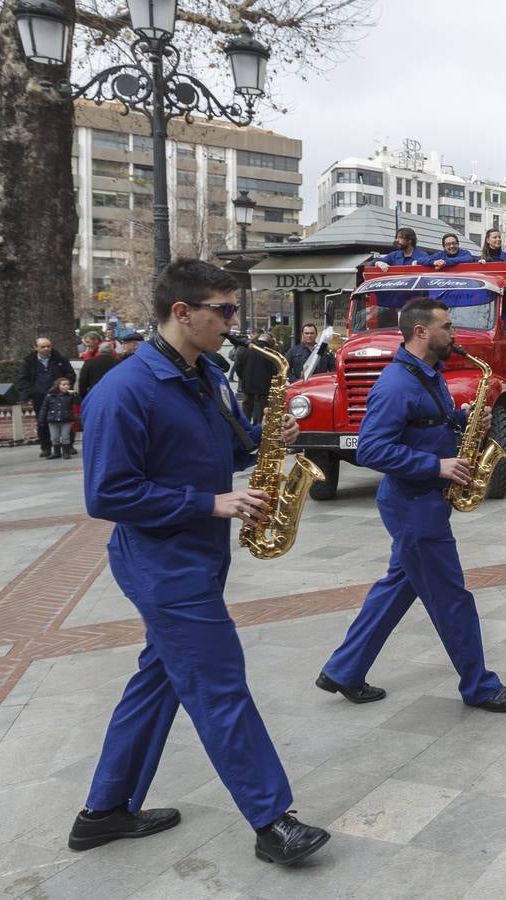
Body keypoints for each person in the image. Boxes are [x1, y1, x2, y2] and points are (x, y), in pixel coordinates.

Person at [71, 258, 329, 865]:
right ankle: (272, 822)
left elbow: (225, 446)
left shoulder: (206, 371)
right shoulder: (124, 390)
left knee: (159, 681)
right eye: (225, 310)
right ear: (182, 313)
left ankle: (103, 812)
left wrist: (266, 445)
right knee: (218, 684)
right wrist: (209, 502)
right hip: (162, 562)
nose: (234, 323)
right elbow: (105, 495)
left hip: (196, 552)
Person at [315, 298, 506, 714]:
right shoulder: (396, 384)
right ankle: (479, 686)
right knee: (451, 598)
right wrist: (437, 465)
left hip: (423, 501)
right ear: (420, 332)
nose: (454, 334)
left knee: (397, 587)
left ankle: (343, 670)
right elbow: (372, 449)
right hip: (414, 506)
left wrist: (467, 423)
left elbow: (430, 424)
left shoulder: (427, 374)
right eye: (447, 327)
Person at [16, 335, 76, 458]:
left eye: (48, 346)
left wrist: (65, 388)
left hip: (61, 396)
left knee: (66, 420)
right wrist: (30, 392)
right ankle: (46, 447)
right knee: (42, 421)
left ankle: (68, 446)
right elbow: (22, 379)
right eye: (43, 347)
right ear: (36, 348)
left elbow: (70, 374)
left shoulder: (60, 359)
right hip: (40, 397)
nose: (46, 349)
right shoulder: (29, 361)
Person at [232, 333, 279, 424]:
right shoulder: (271, 352)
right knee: (262, 412)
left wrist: (244, 378)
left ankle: (245, 430)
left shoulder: (244, 349)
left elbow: (237, 366)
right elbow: (275, 371)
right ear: (269, 342)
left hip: (248, 385)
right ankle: (258, 429)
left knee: (246, 410)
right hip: (264, 388)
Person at [39, 377, 78, 460]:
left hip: (66, 419)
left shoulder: (70, 396)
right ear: (58, 386)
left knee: (65, 436)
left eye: (68, 385)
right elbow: (44, 408)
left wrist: (75, 394)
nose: (66, 386)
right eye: (64, 385)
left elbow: (78, 402)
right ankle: (57, 453)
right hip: (53, 420)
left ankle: (66, 452)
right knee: (54, 437)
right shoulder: (49, 396)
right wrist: (41, 420)